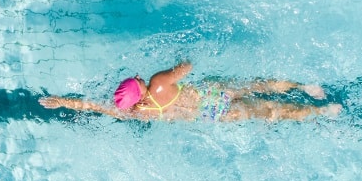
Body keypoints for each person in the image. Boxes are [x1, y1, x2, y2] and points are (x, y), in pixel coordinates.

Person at [38, 61, 342, 121]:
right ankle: (304, 87)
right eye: (137, 80)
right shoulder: (158, 82)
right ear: (142, 85)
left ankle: (319, 113)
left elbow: (94, 106)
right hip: (208, 94)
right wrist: (180, 64)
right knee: (256, 85)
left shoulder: (135, 113)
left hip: (210, 114)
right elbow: (186, 67)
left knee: (266, 112)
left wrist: (62, 102)